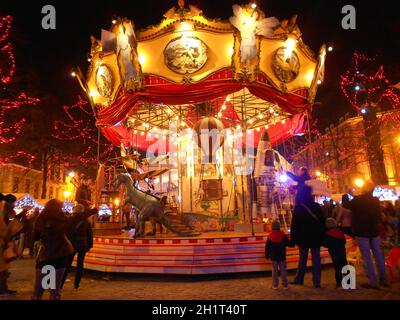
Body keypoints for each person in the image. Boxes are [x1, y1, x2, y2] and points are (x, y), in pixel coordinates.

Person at [349, 181, 389, 289]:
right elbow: (378, 215)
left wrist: (350, 193)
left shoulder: (357, 200)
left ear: (363, 189)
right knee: (379, 256)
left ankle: (373, 281)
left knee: (367, 257)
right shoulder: (375, 201)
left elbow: (346, 205)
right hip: (374, 231)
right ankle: (384, 279)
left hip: (362, 232)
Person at [32, 199, 74, 300]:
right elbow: (69, 231)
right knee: (55, 290)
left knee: (38, 290)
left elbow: (35, 237)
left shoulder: (40, 219)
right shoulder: (62, 219)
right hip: (60, 256)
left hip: (45, 256)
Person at [290, 185, 325, 288]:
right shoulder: (317, 206)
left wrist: (293, 238)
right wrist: (322, 236)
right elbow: (322, 222)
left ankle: (299, 279)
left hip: (303, 237)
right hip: (315, 237)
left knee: (303, 259)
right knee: (316, 259)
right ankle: (317, 282)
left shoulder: (298, 207)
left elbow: (294, 225)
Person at [62, 204, 96, 290]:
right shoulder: (86, 221)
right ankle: (76, 284)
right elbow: (89, 234)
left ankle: (61, 283)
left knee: (67, 264)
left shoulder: (70, 219)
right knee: (80, 264)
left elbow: (66, 232)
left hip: (72, 244)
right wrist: (90, 245)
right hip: (82, 245)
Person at [265, 220, 291, 290]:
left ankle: (275, 285)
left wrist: (267, 255)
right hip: (282, 256)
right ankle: (285, 285)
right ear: (279, 226)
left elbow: (267, 247)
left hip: (274, 256)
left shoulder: (270, 236)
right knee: (283, 270)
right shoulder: (283, 235)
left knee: (274, 271)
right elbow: (288, 243)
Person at [323, 218, 348, 288]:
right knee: (344, 266)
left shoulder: (328, 234)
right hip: (342, 251)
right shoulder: (340, 232)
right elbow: (344, 241)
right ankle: (348, 282)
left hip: (334, 253)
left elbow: (326, 244)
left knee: (337, 268)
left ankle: (339, 283)